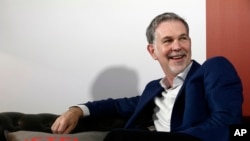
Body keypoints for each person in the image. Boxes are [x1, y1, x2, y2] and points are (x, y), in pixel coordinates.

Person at [51, 12, 243, 141]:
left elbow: (229, 125)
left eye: (183, 38)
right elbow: (117, 105)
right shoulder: (154, 89)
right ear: (153, 51)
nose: (178, 46)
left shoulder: (213, 68)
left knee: (118, 137)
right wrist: (77, 110)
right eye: (168, 40)